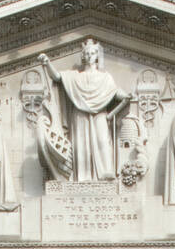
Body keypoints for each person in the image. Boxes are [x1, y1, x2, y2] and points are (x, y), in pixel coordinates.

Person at [37, 39, 128, 182]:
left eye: (92, 53)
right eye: (87, 53)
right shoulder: (75, 76)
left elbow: (115, 92)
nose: (90, 56)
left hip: (100, 114)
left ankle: (106, 173)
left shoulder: (105, 77)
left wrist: (126, 96)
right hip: (80, 114)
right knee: (81, 143)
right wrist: (48, 63)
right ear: (83, 56)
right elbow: (57, 77)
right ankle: (83, 176)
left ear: (97, 56)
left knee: (103, 140)